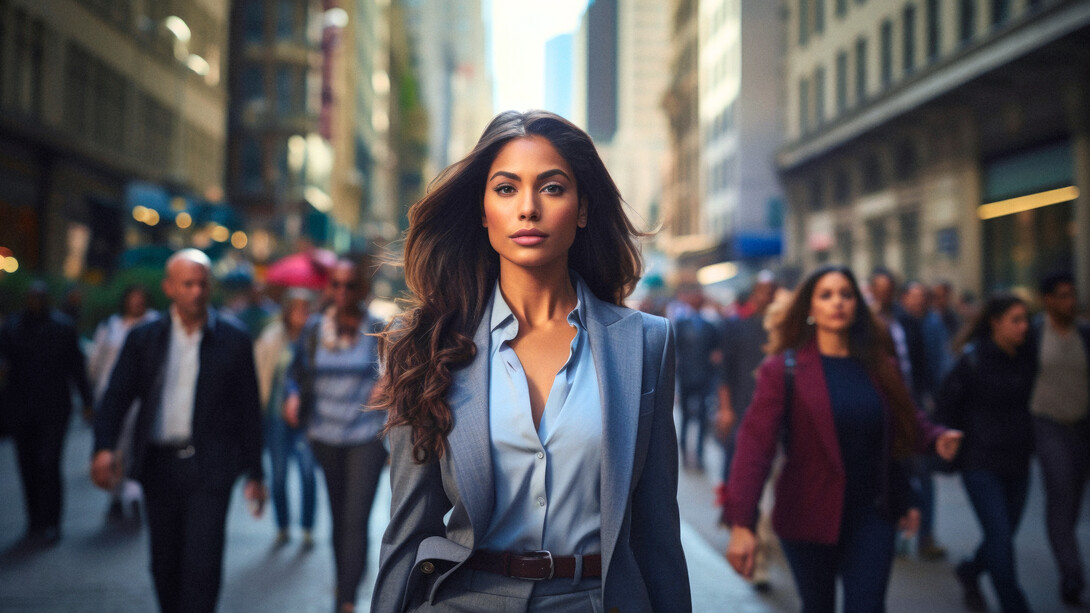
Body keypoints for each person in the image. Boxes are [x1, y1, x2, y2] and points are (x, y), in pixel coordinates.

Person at [370, 110, 690, 612]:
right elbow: (407, 531)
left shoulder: (646, 344)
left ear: (582, 209)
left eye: (552, 188)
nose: (528, 209)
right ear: (482, 210)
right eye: (505, 189)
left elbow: (656, 532)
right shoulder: (428, 346)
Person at [723, 265, 962, 613]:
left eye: (846, 295)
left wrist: (935, 438)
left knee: (868, 605)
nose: (838, 303)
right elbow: (755, 447)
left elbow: (905, 419)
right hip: (807, 513)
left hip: (872, 514)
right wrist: (742, 524)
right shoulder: (783, 368)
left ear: (857, 305)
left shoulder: (879, 365)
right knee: (817, 606)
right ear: (810, 308)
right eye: (826, 295)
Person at [91, 249, 267, 613]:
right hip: (159, 466)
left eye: (202, 284)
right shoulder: (145, 338)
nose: (196, 292)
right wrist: (104, 446)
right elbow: (117, 396)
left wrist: (256, 472)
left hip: (211, 468)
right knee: (164, 563)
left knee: (203, 565)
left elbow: (249, 410)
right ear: (169, 287)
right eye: (187, 284)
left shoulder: (233, 338)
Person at [283, 257, 387, 613]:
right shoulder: (314, 330)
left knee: (356, 520)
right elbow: (294, 373)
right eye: (336, 285)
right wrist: (292, 395)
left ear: (362, 289)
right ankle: (343, 585)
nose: (341, 292)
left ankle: (346, 601)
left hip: (365, 436)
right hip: (324, 435)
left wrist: (386, 386)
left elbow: (394, 372)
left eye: (349, 285)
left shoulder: (376, 328)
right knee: (338, 517)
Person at [935, 293, 1035, 613]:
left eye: (1026, 319)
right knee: (1000, 537)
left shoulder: (1027, 356)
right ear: (995, 323)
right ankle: (1014, 604)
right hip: (980, 462)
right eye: (1016, 320)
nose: (1024, 327)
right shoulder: (972, 360)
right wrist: (947, 445)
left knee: (1000, 537)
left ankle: (970, 570)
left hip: (1018, 461)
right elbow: (946, 407)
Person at [0, 281, 93, 546]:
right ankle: (34, 520)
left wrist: (88, 401)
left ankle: (51, 521)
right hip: (21, 407)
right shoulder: (13, 327)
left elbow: (77, 367)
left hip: (54, 408)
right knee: (27, 465)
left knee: (49, 464)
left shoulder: (62, 327)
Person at [1029, 272, 1090, 607]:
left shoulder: (1084, 334)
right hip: (1047, 426)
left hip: (1081, 427)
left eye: (1073, 294)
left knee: (1073, 504)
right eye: (1063, 295)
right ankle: (1072, 574)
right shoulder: (1035, 334)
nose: (1071, 301)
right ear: (1048, 299)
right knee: (1061, 498)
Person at [716, 270, 778, 591]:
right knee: (751, 488)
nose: (767, 296)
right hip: (744, 418)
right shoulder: (737, 327)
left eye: (772, 290)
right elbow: (725, 372)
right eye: (763, 290)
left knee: (772, 498)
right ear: (755, 293)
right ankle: (760, 561)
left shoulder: (786, 330)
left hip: (779, 426)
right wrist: (726, 409)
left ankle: (765, 554)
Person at [87, 284, 159, 523]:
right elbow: (96, 363)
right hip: (113, 392)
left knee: (135, 445)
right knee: (114, 445)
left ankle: (134, 490)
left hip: (142, 399)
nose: (136, 303)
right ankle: (116, 495)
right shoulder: (111, 327)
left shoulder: (154, 325)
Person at [254, 288, 317, 548]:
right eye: (297, 307)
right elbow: (259, 375)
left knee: (307, 473)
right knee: (278, 475)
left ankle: (307, 528)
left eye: (306, 307)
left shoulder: (317, 338)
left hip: (307, 420)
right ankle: (282, 526)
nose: (302, 312)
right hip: (276, 419)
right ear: (287, 310)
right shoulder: (271, 338)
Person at [672, 282, 720, 470]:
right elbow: (675, 352)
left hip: (703, 378)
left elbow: (716, 354)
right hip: (685, 378)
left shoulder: (710, 325)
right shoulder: (681, 323)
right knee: (685, 418)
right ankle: (684, 454)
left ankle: (699, 455)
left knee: (700, 417)